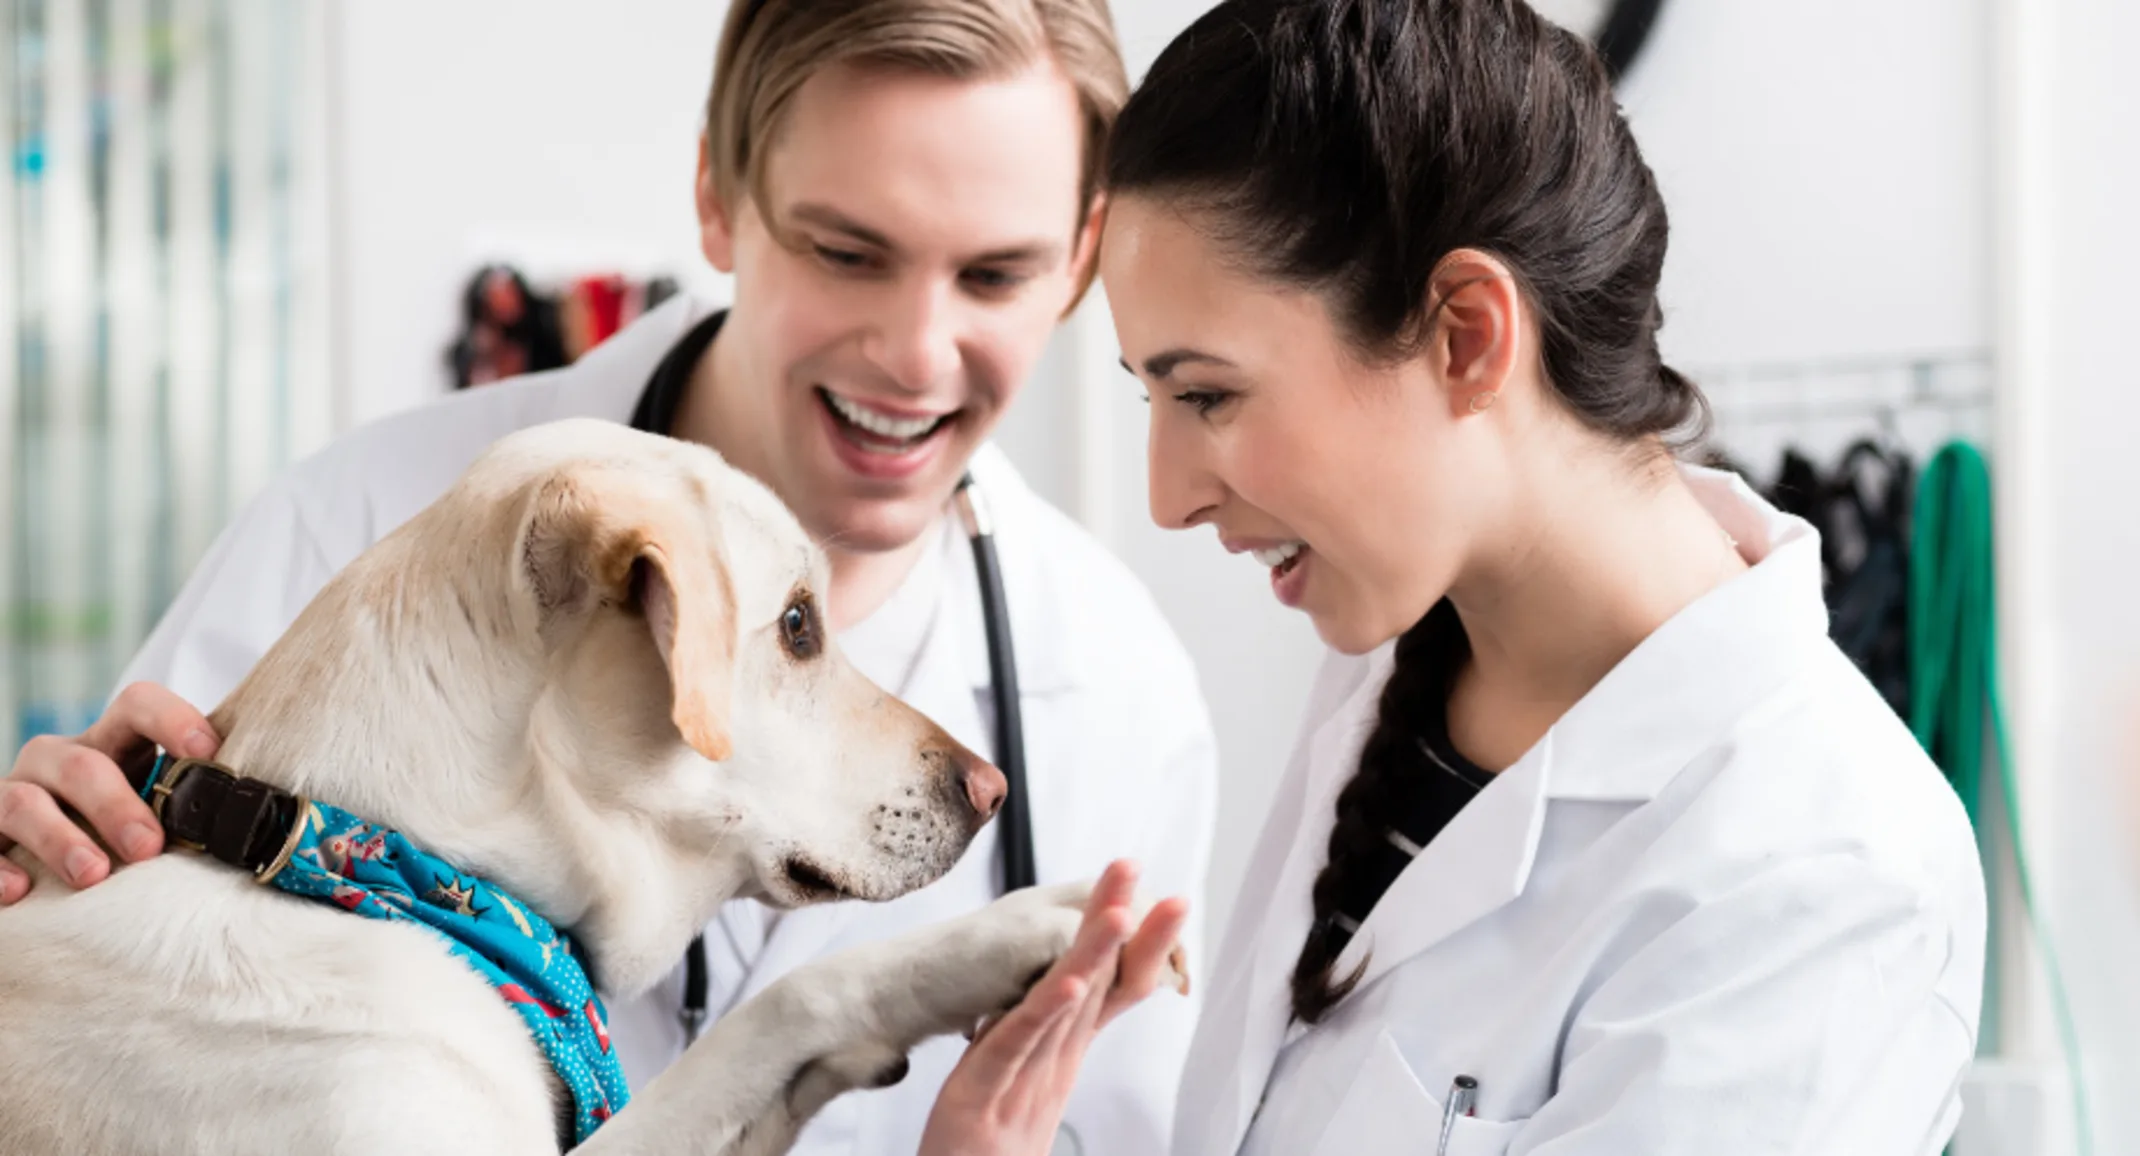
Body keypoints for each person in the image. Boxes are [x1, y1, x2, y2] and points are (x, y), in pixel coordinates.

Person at [0, 2, 1218, 1153]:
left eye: (995, 275)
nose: (913, 354)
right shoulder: (352, 526)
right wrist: (50, 851)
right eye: (848, 252)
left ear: (1080, 262)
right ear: (717, 197)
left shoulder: (1121, 692)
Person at [916, 0, 1989, 1152]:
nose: (1166, 497)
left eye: (1209, 395)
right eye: (1151, 397)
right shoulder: (1394, 666)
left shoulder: (1821, 873)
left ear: (1467, 336)